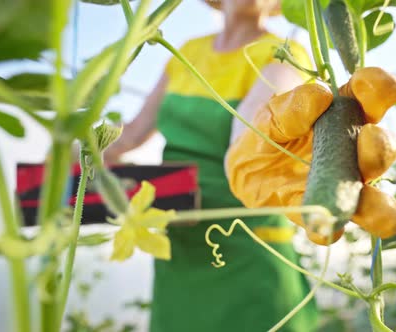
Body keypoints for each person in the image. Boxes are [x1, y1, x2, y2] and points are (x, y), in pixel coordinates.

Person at [103, 1, 322, 331]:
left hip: (246, 246)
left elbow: (254, 130)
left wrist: (247, 135)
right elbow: (133, 133)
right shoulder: (187, 52)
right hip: (177, 240)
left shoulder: (285, 53)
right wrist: (83, 147)